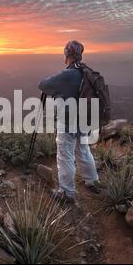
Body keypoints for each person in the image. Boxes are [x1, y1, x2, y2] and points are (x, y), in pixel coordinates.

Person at [38, 40, 100, 204]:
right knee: (83, 151)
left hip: (68, 122)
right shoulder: (87, 71)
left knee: (65, 156)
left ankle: (66, 193)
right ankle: (92, 181)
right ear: (80, 55)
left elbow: (43, 85)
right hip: (85, 120)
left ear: (67, 54)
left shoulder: (67, 74)